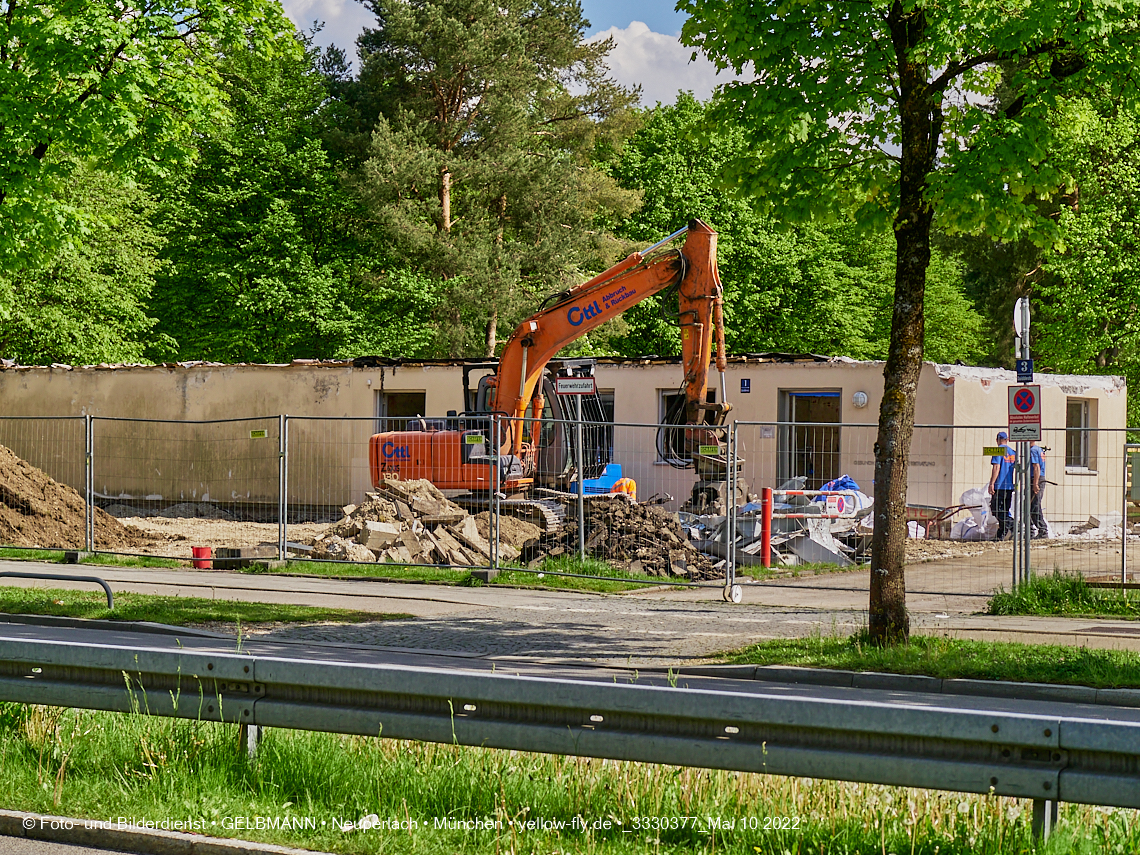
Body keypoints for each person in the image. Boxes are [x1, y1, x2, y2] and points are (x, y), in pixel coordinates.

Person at [988, 431, 1016, 540]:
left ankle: (1013, 525)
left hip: (1000, 486)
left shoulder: (999, 451)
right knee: (1004, 510)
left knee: (995, 509)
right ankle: (1001, 535)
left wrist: (992, 483)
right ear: (1007, 439)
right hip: (1009, 486)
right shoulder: (1012, 452)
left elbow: (996, 467)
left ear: (998, 440)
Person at [1030, 440, 1047, 538]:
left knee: (1034, 505)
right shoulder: (1038, 449)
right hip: (1039, 478)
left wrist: (1035, 483)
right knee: (1031, 505)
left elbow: (1036, 467)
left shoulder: (1033, 450)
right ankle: (1031, 530)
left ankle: (1042, 530)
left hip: (1036, 478)